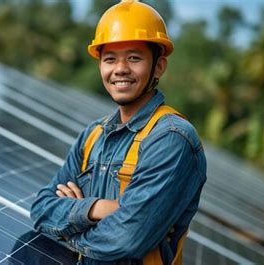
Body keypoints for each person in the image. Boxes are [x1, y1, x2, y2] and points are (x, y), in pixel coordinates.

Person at [30, 0, 207, 264]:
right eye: (110, 59)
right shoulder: (92, 136)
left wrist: (67, 231)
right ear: (100, 65)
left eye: (134, 57)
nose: (120, 69)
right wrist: (96, 209)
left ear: (158, 66)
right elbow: (41, 209)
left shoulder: (171, 138)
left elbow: (126, 239)